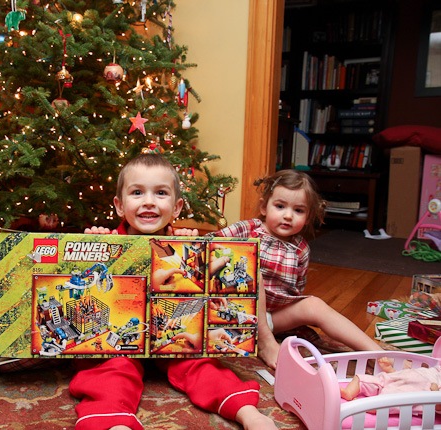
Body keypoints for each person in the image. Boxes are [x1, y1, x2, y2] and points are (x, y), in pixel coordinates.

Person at [75, 153, 277, 430]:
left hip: (172, 338)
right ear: (120, 206)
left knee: (202, 365)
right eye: (137, 192)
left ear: (176, 207)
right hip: (120, 345)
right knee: (111, 373)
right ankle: (112, 422)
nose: (149, 201)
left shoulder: (183, 244)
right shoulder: (107, 242)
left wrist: (194, 252)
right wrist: (92, 245)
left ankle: (247, 413)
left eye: (160, 193)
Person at [215, 169, 383, 369]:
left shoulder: (301, 249)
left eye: (298, 210)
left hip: (273, 319)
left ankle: (378, 355)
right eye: (280, 206)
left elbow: (296, 291)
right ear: (264, 207)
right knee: (250, 267)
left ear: (308, 216)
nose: (288, 216)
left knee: (314, 304)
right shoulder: (247, 229)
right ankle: (265, 342)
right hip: (235, 311)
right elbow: (209, 247)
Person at [341, 356, 441, 414]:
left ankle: (363, 406)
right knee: (361, 379)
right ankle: (349, 392)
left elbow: (438, 407)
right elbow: (410, 376)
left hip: (409, 393)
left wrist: (435, 393)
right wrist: (391, 371)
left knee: (387, 402)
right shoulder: (436, 369)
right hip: (394, 379)